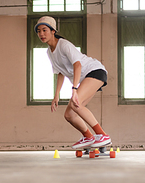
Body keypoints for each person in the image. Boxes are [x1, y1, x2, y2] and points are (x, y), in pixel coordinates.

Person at [35, 16, 111, 150]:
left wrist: (74, 89)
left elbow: (77, 65)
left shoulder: (63, 45)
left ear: (53, 31)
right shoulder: (50, 52)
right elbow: (60, 72)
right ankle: (88, 137)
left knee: (76, 104)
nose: (41, 34)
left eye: (44, 30)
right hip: (85, 78)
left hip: (95, 71)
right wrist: (56, 95)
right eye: (39, 31)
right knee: (69, 114)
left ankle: (102, 135)